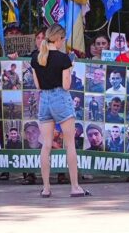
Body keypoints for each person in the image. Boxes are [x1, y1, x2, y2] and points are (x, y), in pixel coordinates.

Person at [30, 23, 88, 197]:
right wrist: (70, 68)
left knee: (46, 145)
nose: (64, 42)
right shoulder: (63, 59)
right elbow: (66, 85)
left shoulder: (36, 57)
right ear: (58, 39)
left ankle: (46, 188)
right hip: (60, 98)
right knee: (70, 144)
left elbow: (37, 85)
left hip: (44, 99)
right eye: (63, 39)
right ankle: (75, 187)